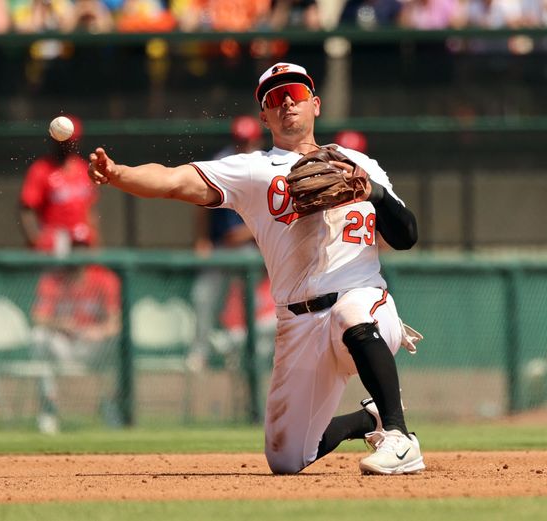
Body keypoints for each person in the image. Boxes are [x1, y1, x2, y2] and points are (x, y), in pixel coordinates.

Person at [88, 62, 424, 475]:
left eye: (295, 95)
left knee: (349, 312)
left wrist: (372, 191)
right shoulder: (252, 169)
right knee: (286, 459)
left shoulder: (358, 163)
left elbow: (406, 235)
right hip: (298, 322)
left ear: (315, 105)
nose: (286, 103)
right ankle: (366, 420)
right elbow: (173, 181)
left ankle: (399, 436)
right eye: (274, 98)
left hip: (366, 306)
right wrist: (119, 174)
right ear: (263, 116)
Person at [190, 115, 265, 371]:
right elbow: (202, 205)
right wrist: (201, 240)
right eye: (240, 141)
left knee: (252, 306)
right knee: (203, 298)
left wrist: (249, 233)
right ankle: (199, 353)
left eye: (248, 141)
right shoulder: (220, 162)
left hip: (251, 248)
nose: (243, 145)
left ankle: (246, 356)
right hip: (221, 245)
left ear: (257, 139)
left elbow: (272, 211)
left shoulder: (265, 163)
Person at [30, 244, 122, 433]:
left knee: (117, 340)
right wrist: (59, 323)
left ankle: (111, 405)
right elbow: (37, 317)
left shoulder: (104, 279)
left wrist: (99, 331)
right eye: (75, 248)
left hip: (92, 346)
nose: (79, 255)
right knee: (38, 336)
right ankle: (49, 408)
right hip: (62, 344)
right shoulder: (53, 279)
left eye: (83, 248)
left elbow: (116, 323)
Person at [19, 115, 101, 255]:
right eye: (62, 140)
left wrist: (96, 245)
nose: (66, 145)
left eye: (69, 141)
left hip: (82, 241)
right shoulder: (41, 169)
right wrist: (36, 240)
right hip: (55, 242)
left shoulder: (84, 169)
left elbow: (90, 210)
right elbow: (26, 210)